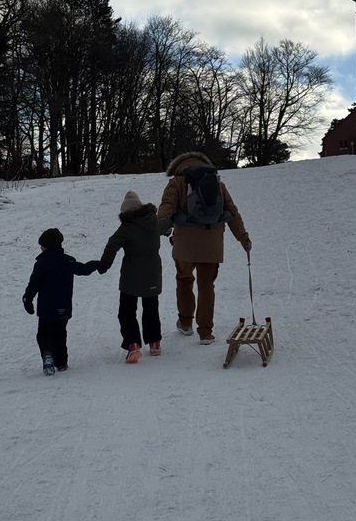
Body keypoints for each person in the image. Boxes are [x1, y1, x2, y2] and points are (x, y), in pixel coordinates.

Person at [157, 152, 251, 344]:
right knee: (207, 286)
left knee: (184, 280)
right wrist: (243, 238)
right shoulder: (217, 183)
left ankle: (185, 323)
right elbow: (232, 212)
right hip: (212, 242)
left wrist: (160, 227)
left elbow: (167, 207)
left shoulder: (176, 182)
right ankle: (206, 332)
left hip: (185, 243)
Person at [22, 227, 99, 374]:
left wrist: (27, 299)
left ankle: (48, 355)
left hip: (46, 309)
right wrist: (96, 264)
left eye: (42, 245)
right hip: (64, 307)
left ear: (47, 246)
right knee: (60, 334)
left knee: (44, 334)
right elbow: (83, 269)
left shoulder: (42, 263)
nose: (41, 248)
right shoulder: (68, 261)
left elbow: (34, 284)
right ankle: (62, 362)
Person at [98, 190, 163, 363]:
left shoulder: (127, 227)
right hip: (153, 274)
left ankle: (133, 344)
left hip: (131, 276)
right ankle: (155, 343)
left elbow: (112, 244)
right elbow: (166, 226)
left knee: (126, 311)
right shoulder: (154, 221)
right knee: (151, 309)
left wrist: (104, 264)